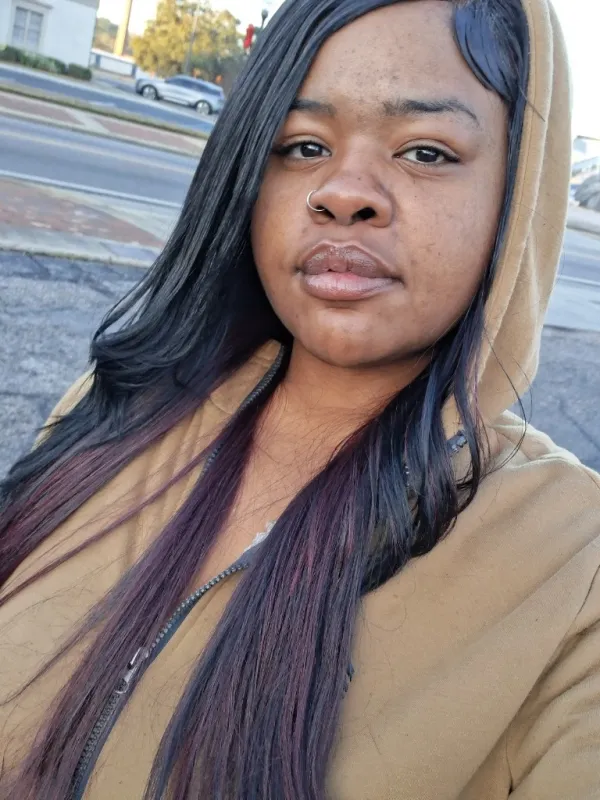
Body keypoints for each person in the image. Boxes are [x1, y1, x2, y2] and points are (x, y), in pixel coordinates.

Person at [0, 0, 598, 798]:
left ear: (518, 194)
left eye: (425, 151)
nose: (343, 193)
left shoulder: (574, 558)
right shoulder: (119, 404)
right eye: (304, 146)